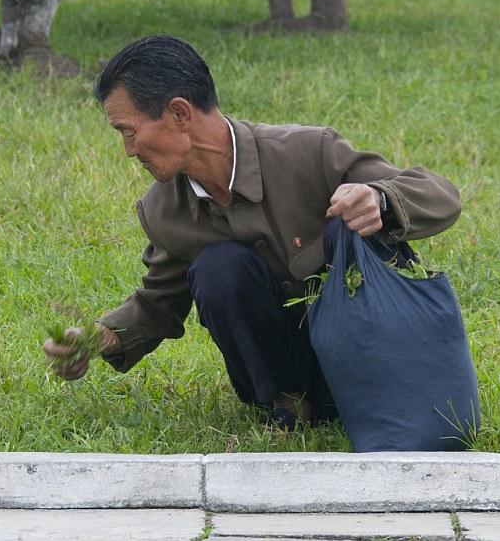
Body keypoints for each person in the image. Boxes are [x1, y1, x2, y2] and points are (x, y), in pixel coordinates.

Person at [43, 35, 461, 428]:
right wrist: (99, 339)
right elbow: (158, 304)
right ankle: (290, 402)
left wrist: (381, 200)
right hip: (293, 381)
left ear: (179, 113)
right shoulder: (163, 209)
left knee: (345, 227)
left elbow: (440, 195)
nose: (129, 150)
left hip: (374, 363)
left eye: (128, 132)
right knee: (219, 268)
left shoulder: (308, 151)